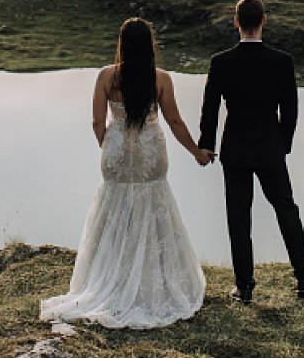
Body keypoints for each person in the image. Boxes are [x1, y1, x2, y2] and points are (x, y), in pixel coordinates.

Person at [40, 17, 212, 329]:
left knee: (115, 207)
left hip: (117, 148)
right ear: (149, 45)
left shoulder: (107, 76)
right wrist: (197, 152)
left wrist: (110, 146)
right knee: (153, 205)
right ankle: (149, 283)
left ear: (121, 43)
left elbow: (96, 121)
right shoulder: (160, 78)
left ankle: (109, 279)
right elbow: (174, 121)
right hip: (149, 148)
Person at [199, 0, 304, 303]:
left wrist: (206, 145)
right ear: (263, 21)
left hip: (235, 149)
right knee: (286, 209)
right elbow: (290, 110)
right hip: (270, 147)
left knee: (239, 215)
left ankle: (244, 286)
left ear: (236, 22)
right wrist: (283, 144)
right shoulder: (282, 61)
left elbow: (210, 109)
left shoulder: (221, 62)